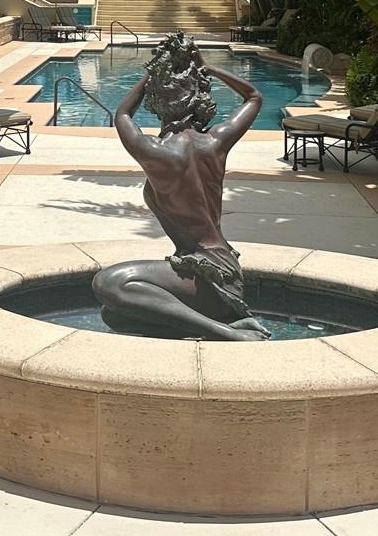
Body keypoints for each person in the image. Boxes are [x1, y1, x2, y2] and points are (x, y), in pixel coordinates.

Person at [92, 34, 271, 341]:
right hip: (227, 270)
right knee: (115, 315)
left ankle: (226, 332)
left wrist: (152, 72)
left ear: (158, 101)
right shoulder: (217, 141)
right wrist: (207, 68)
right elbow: (254, 97)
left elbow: (122, 114)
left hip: (206, 279)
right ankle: (217, 325)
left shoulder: (154, 150)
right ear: (200, 97)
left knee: (109, 283)